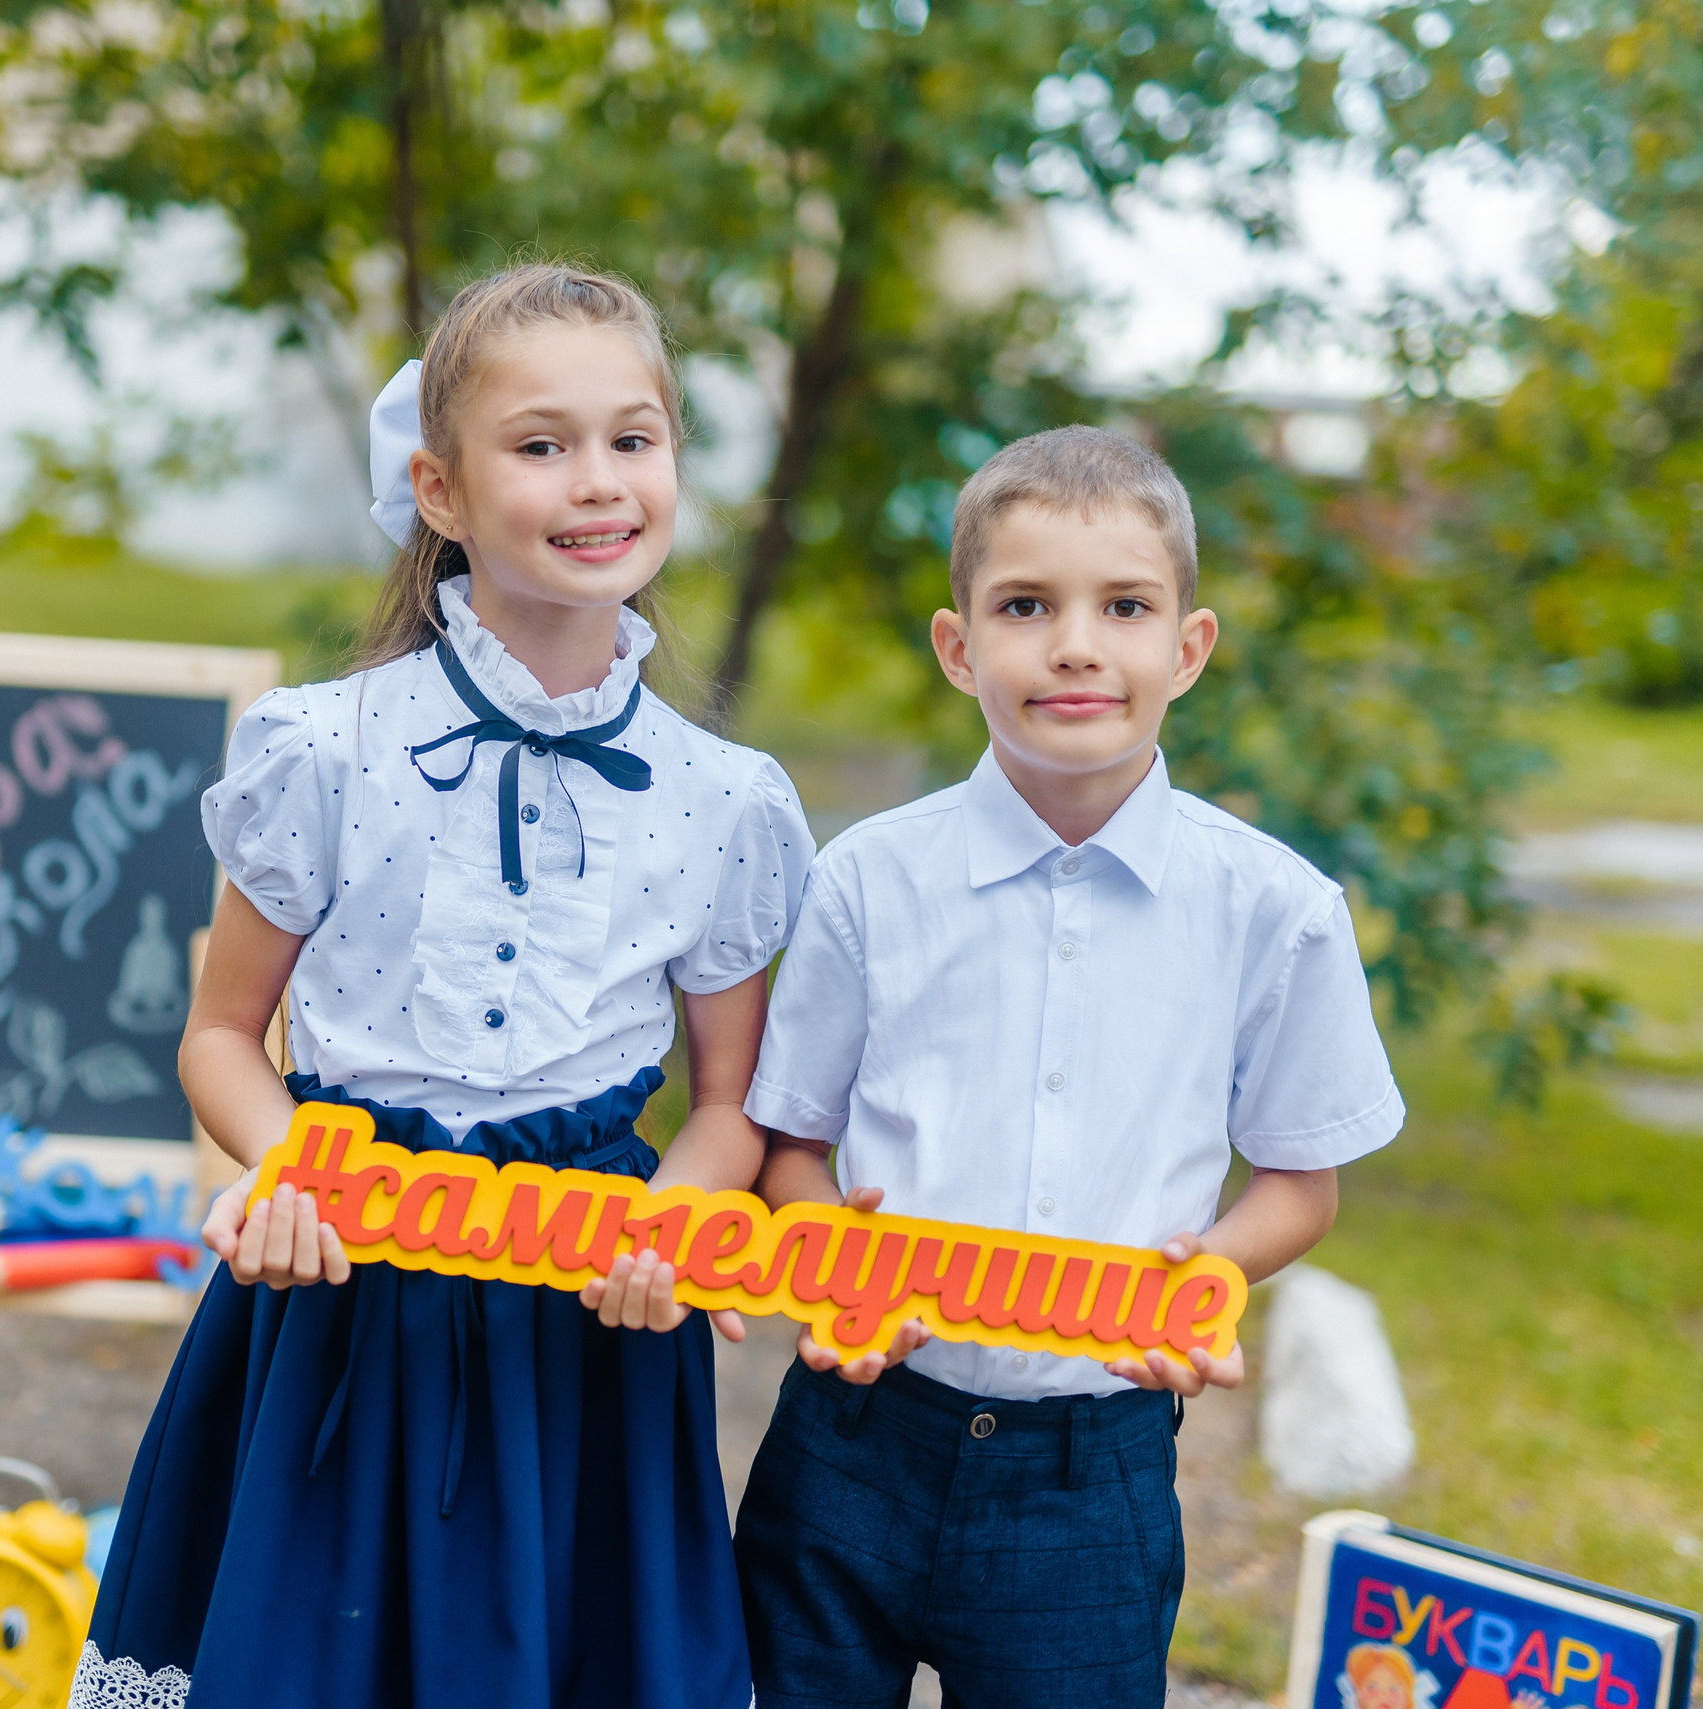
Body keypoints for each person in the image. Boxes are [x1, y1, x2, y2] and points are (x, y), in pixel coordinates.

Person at [76, 263, 813, 1709]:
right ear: (441, 489)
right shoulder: (323, 750)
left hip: (585, 1323)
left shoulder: (721, 799)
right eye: (541, 445)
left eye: (634, 437)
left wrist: (677, 1218)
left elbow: (731, 1100)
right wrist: (295, 1174)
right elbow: (224, 1036)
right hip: (350, 1293)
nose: (597, 481)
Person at [732, 425, 1406, 1708]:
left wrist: (1200, 1274)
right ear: (958, 645)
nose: (1077, 643)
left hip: (1088, 1470)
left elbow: (1299, 1181)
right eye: (1026, 605)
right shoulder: (868, 878)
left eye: (1126, 606)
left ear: (1188, 648)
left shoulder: (1276, 910)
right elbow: (792, 1142)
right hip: (854, 1438)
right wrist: (828, 1259)